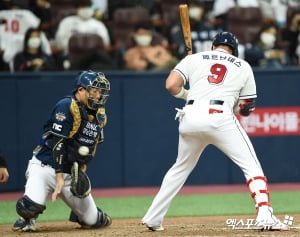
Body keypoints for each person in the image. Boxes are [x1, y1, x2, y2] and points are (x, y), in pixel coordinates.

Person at [142, 32, 290, 231]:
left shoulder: (193, 58)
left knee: (180, 168)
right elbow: (246, 108)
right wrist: (234, 105)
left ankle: (153, 218)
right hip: (220, 116)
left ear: (214, 46)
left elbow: (171, 85)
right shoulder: (242, 65)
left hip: (189, 115)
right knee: (251, 166)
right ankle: (265, 216)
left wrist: (190, 95)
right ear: (234, 49)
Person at [13, 70, 112, 232]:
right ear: (81, 90)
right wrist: (58, 178)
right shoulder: (66, 106)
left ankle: (83, 214)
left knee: (93, 220)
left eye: (100, 91)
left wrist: (81, 170)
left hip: (68, 174)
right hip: (44, 167)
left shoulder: (99, 115)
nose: (99, 95)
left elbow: (92, 146)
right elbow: (57, 143)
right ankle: (27, 219)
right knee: (29, 207)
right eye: (95, 91)